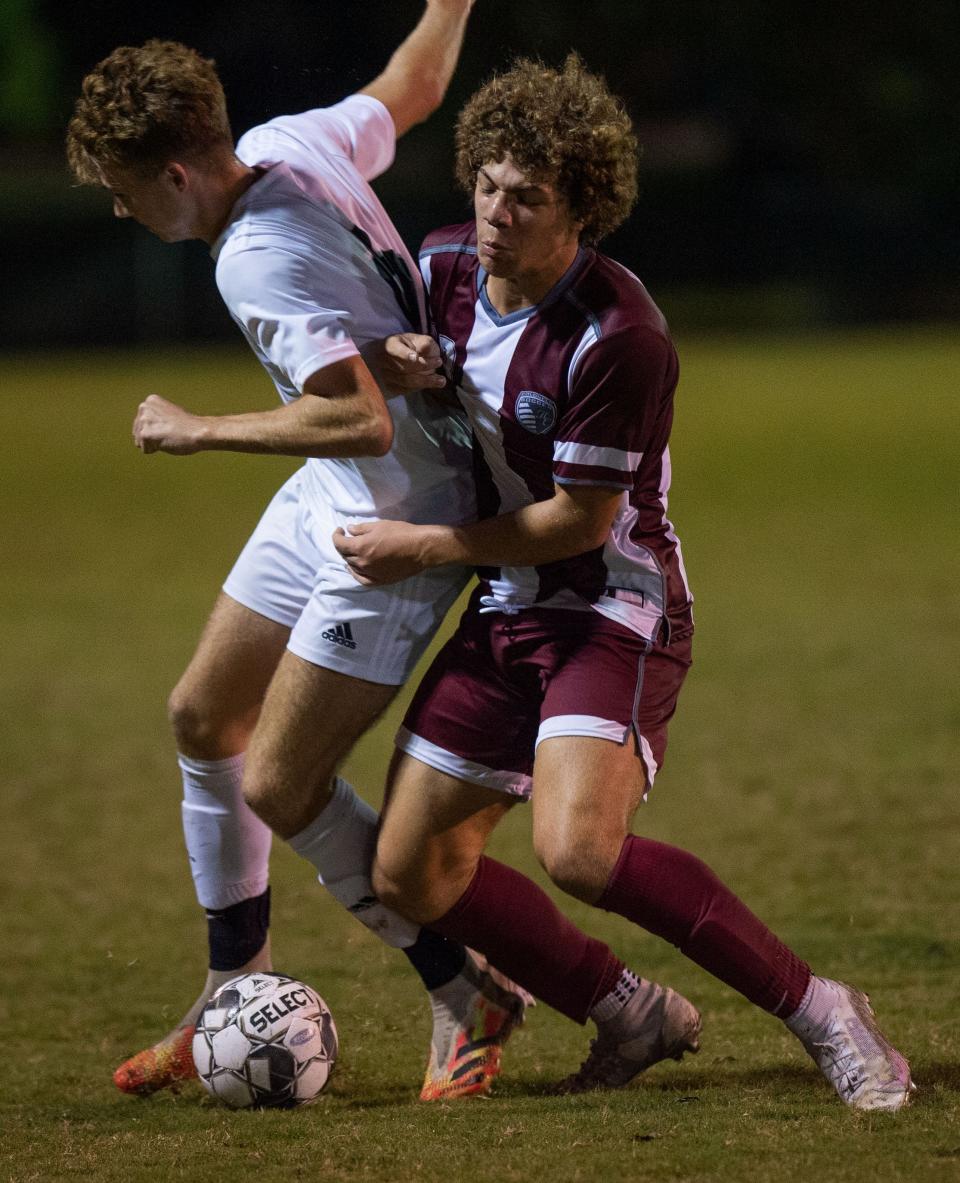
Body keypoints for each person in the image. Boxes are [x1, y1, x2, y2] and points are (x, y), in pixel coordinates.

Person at [333, 55, 915, 1110]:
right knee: (410, 871)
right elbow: (410, 377)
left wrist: (419, 549)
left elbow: (576, 519)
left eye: (530, 198)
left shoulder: (622, 336)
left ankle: (825, 1009)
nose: (498, 213)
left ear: (582, 213)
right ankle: (624, 1008)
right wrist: (398, 352)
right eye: (489, 184)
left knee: (580, 849)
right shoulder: (442, 264)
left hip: (610, 606)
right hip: (508, 600)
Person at [65, 1, 536, 1104]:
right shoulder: (288, 142)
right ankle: (234, 984)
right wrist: (449, 6)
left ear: (177, 174)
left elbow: (359, 418)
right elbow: (411, 89)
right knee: (201, 716)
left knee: (281, 778)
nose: (123, 211)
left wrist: (199, 427)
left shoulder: (256, 261)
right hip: (341, 485)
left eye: (124, 190)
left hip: (400, 513)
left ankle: (465, 989)